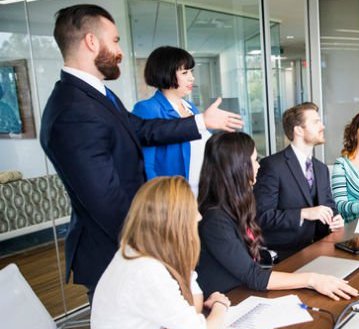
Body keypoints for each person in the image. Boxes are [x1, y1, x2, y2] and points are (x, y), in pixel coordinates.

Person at [39, 4, 242, 298]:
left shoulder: (96, 96)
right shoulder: (74, 110)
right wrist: (157, 250)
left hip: (134, 245)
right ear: (91, 42)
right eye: (116, 40)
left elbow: (143, 129)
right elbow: (106, 201)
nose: (119, 50)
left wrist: (201, 122)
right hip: (116, 252)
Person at [195, 132, 357, 300]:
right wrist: (312, 279)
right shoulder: (215, 220)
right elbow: (253, 275)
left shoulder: (235, 206)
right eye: (254, 160)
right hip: (228, 299)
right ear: (238, 167)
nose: (258, 166)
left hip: (244, 290)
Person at [87, 176, 229, 329]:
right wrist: (221, 305)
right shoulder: (146, 270)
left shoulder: (140, 249)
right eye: (193, 211)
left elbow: (194, 300)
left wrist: (181, 327)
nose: (199, 217)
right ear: (175, 221)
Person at [253, 102, 343, 261]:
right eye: (316, 122)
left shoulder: (321, 169)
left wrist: (335, 218)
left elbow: (329, 206)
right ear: (299, 130)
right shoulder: (272, 166)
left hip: (321, 249)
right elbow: (262, 217)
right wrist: (303, 213)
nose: (322, 126)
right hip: (286, 255)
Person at [132, 46, 208, 194]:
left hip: (200, 195)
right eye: (185, 72)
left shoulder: (191, 107)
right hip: (173, 199)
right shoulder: (147, 109)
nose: (191, 77)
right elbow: (146, 166)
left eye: (191, 71)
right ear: (165, 74)